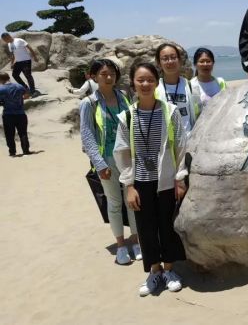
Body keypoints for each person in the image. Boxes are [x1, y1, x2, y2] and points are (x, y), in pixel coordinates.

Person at [114, 62, 188, 297]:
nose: (145, 84)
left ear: (157, 82)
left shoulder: (170, 111)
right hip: (140, 182)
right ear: (133, 83)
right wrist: (129, 186)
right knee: (146, 228)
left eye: (150, 80)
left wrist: (180, 178)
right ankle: (154, 271)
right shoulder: (127, 116)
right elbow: (122, 153)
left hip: (166, 179)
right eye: (140, 80)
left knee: (167, 226)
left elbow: (181, 146)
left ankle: (169, 270)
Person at [79, 59, 140, 264]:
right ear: (93, 76)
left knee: (132, 200)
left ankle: (135, 240)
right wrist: (100, 164)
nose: (108, 77)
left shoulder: (123, 96)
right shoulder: (89, 103)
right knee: (114, 202)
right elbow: (87, 136)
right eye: (103, 74)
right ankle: (121, 245)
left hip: (128, 157)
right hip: (107, 159)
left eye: (112, 73)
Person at [154, 43, 197, 135]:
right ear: (159, 64)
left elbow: (198, 114)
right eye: (165, 59)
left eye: (173, 57)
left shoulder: (190, 86)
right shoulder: (155, 88)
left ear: (180, 61)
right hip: (165, 142)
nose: (170, 61)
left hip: (189, 141)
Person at [0, 71, 31, 156]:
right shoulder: (19, 86)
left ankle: (12, 152)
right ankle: (26, 151)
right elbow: (27, 95)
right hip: (21, 114)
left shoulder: (1, 89)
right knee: (23, 133)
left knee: (9, 134)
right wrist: (20, 100)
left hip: (8, 115)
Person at [1, 32, 38, 96]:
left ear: (8, 36)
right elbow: (12, 54)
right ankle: (25, 87)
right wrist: (12, 63)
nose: (5, 41)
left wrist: (34, 56)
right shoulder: (9, 44)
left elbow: (29, 47)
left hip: (26, 60)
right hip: (18, 62)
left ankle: (33, 91)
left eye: (5, 39)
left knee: (28, 75)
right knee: (15, 75)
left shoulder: (19, 40)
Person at [190, 47, 226, 113]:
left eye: (208, 61)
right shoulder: (190, 85)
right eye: (201, 61)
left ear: (213, 63)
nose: (205, 64)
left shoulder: (220, 82)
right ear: (195, 64)